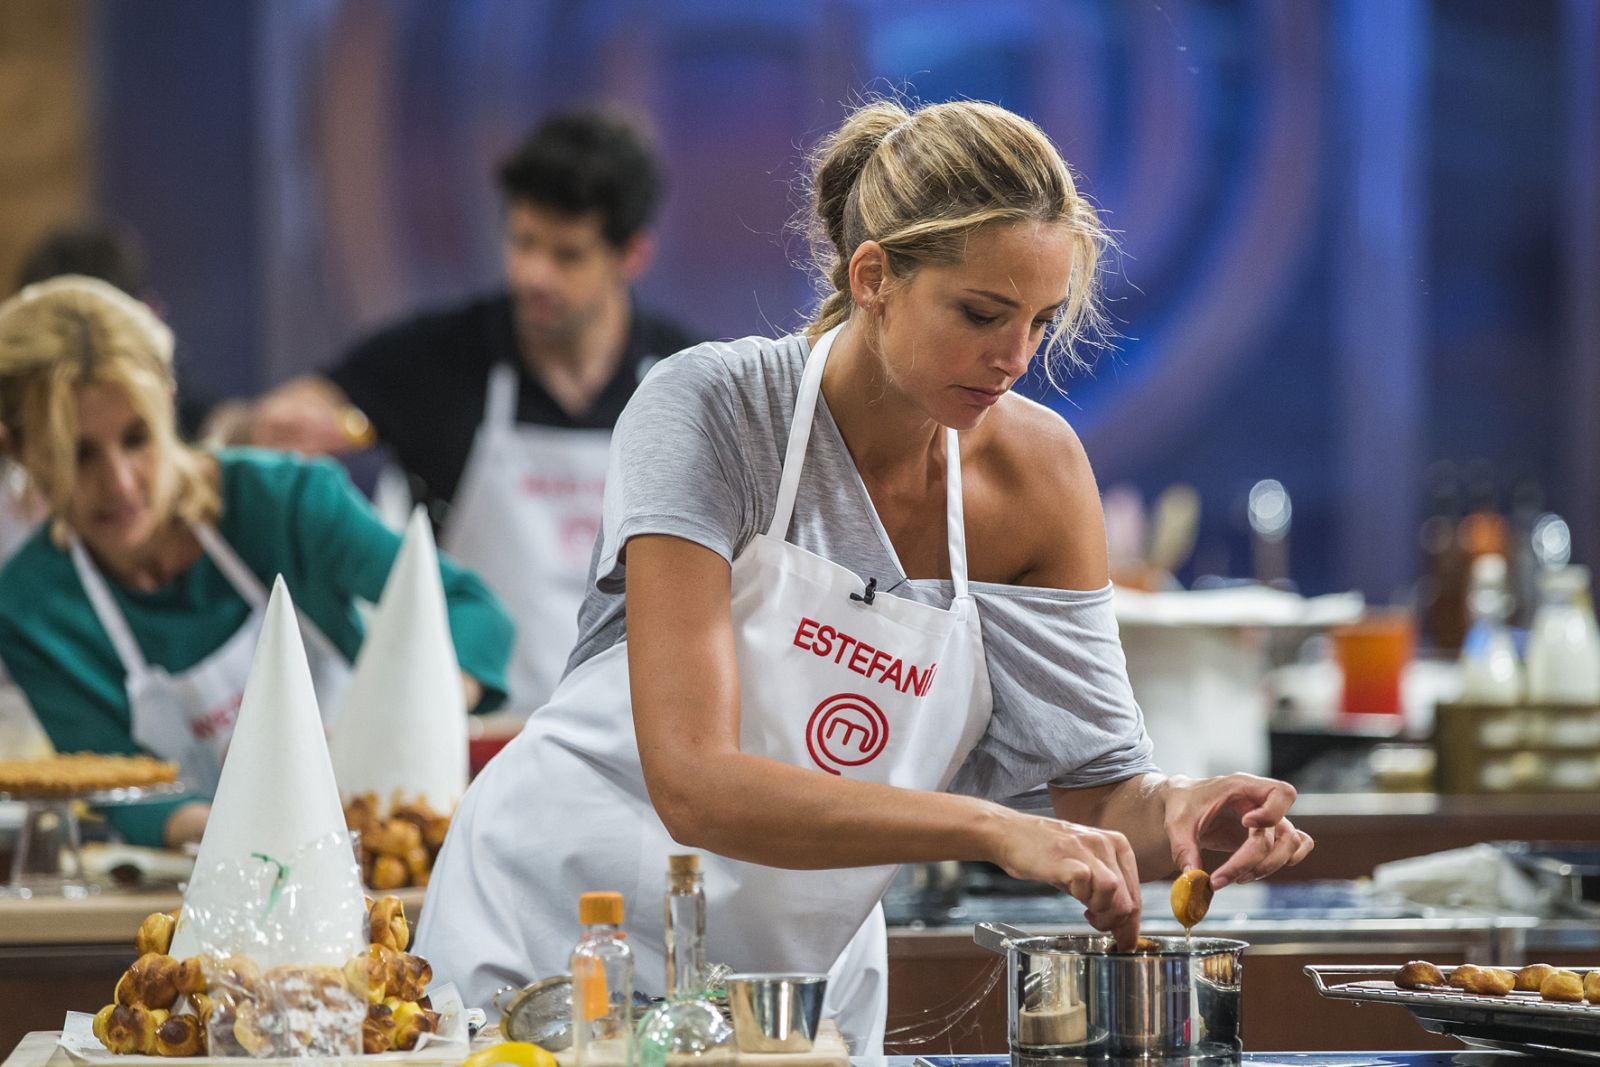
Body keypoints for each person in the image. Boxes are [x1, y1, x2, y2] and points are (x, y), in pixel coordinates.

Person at [414, 99, 1314, 1050]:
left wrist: (1176, 812)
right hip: (558, 944)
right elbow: (694, 782)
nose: (1013, 359)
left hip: (792, 1001)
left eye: (1041, 323)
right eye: (980, 314)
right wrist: (986, 826)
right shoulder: (713, 409)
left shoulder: (1037, 479)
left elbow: (1096, 799)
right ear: (874, 275)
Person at [0, 276, 515, 848]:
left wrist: (405, 713)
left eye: (138, 438)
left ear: (168, 403)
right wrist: (269, 835)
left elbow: (472, 611)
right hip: (204, 885)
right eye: (80, 455)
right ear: (19, 452)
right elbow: (125, 793)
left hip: (376, 847)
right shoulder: (32, 608)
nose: (119, 483)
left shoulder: (284, 503)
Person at [242, 108, 695, 714]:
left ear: (631, 255)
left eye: (567, 255)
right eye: (523, 242)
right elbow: (276, 422)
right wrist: (280, 429)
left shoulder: (686, 381)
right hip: (475, 743)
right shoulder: (438, 361)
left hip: (638, 745)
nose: (534, 274)